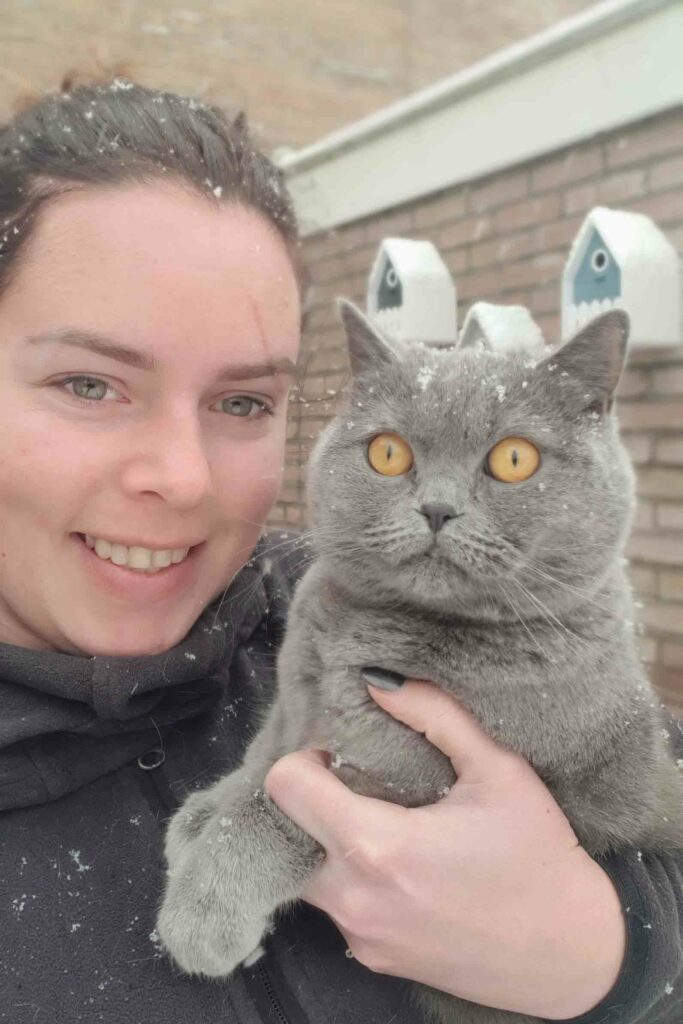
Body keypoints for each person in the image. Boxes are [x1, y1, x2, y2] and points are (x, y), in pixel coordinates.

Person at [0, 71, 680, 1024]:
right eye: (89, 384)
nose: (182, 478)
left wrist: (612, 952)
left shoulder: (311, 597)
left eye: (242, 402)